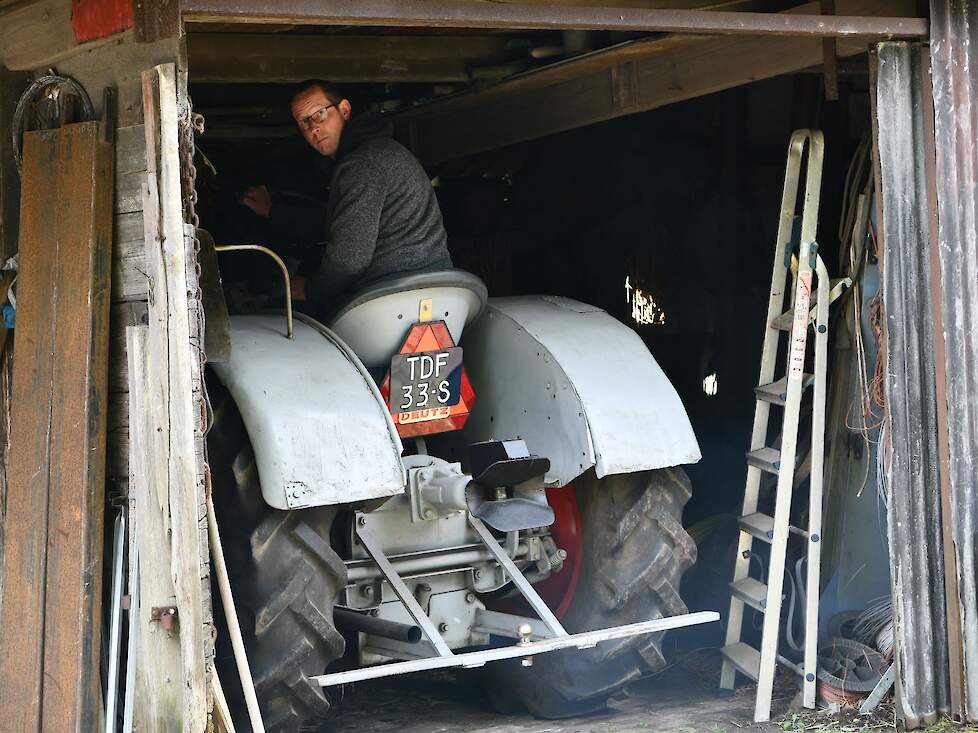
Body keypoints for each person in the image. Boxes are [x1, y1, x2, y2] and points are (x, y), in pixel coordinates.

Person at [240, 80, 453, 316]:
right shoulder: (380, 151)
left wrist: (309, 289)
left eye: (319, 114)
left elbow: (349, 259)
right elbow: (339, 222)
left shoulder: (362, 164)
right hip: (434, 292)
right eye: (304, 122)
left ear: (344, 110)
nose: (313, 128)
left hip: (389, 295)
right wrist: (274, 211)